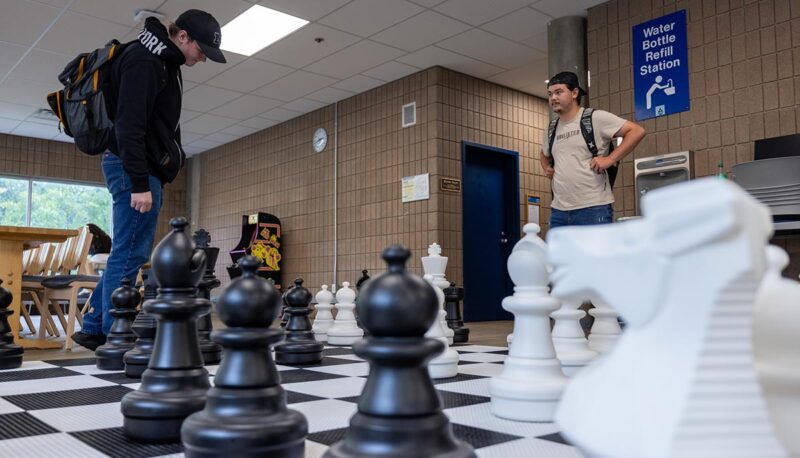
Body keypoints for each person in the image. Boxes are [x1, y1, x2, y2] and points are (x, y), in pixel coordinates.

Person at [72, 10, 227, 350]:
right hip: (133, 168)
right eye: (201, 50)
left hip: (138, 167)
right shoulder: (146, 60)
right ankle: (117, 333)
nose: (202, 58)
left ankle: (96, 327)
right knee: (130, 251)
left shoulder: (162, 60)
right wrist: (140, 182)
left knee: (127, 251)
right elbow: (129, 125)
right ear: (182, 36)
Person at [540, 71, 646, 229]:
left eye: (558, 92)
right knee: (561, 255)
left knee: (596, 254)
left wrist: (610, 159)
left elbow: (636, 131)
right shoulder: (552, 127)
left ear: (574, 92)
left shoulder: (595, 118)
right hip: (559, 211)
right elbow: (543, 153)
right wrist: (546, 168)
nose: (553, 98)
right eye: (550, 94)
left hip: (594, 208)